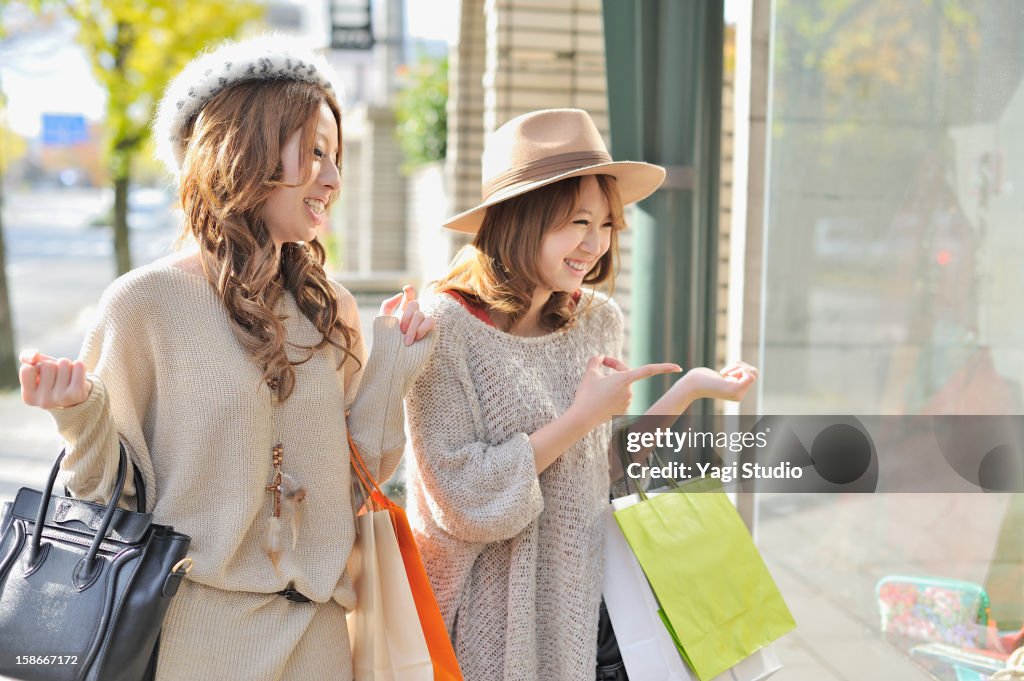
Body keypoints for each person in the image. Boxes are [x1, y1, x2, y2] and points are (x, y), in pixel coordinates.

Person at [17, 35, 435, 681]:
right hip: (197, 640)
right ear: (249, 150)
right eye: (314, 151)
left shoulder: (332, 310)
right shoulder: (144, 302)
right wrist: (80, 414)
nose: (332, 176)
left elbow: (353, 483)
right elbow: (108, 498)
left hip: (320, 637)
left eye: (336, 155)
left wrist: (394, 365)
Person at [404, 108, 758, 681]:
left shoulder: (595, 320)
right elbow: (460, 497)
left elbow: (599, 469)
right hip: (485, 615)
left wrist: (688, 392)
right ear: (521, 219)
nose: (595, 244)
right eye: (577, 222)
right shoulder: (443, 328)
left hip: (583, 608)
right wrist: (582, 415)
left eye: (608, 225)